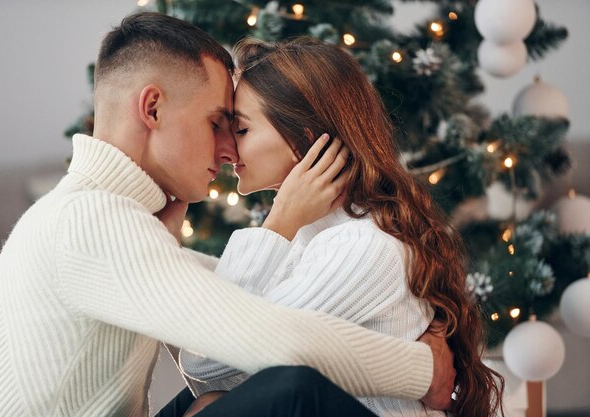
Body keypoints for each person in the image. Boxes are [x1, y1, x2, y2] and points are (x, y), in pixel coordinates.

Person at [0, 13, 454, 417]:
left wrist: (185, 244)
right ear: (152, 109)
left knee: (216, 400)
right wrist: (422, 371)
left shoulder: (102, 215)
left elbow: (228, 302)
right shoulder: (90, 220)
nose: (225, 149)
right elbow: (270, 336)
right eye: (218, 123)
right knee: (291, 389)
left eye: (236, 128)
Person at [177, 37, 504, 417]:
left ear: (305, 138)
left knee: (206, 404)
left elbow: (205, 365)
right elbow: (213, 359)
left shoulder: (362, 246)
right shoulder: (314, 234)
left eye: (242, 130)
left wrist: (276, 226)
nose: (227, 149)